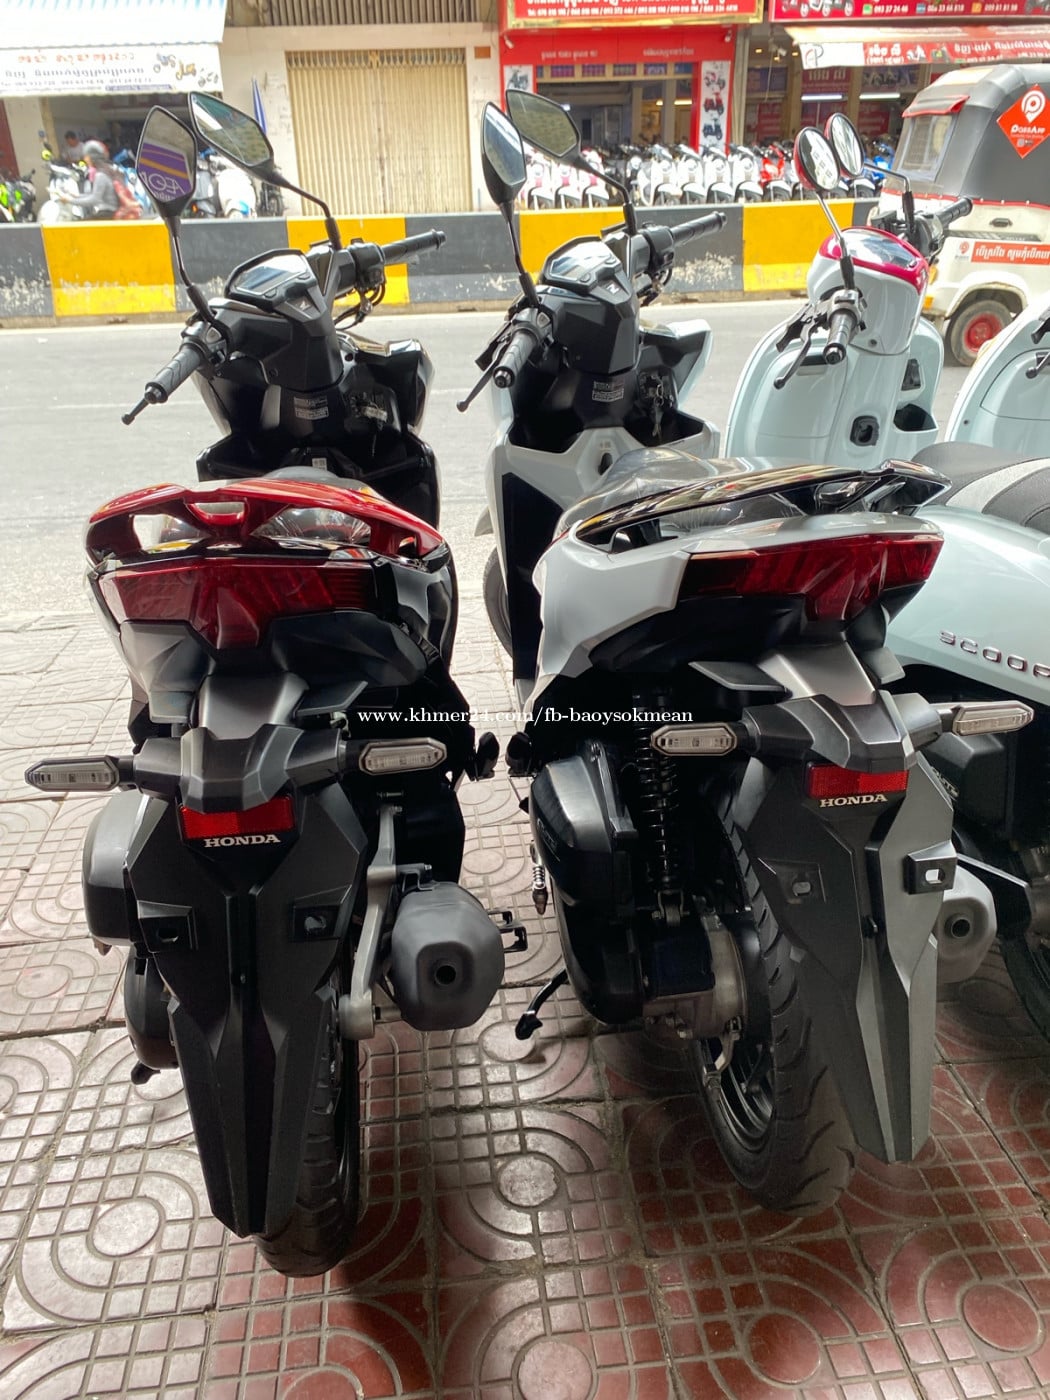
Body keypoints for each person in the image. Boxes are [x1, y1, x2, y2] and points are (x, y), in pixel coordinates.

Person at [57, 139, 120, 219]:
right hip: (109, 212)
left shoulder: (101, 175)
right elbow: (94, 194)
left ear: (93, 157)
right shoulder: (106, 170)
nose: (85, 159)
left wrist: (69, 201)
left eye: (86, 156)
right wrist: (76, 196)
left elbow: (94, 199)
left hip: (108, 213)